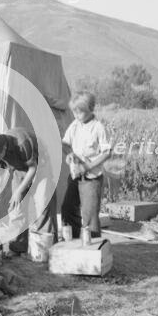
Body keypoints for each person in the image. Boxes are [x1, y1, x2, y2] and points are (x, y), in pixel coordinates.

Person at [0, 128, 57, 256]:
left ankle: (45, 250)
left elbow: (33, 168)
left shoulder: (22, 142)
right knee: (16, 209)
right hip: (19, 170)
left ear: (4, 148)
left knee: (43, 205)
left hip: (41, 168)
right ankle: (17, 247)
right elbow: (0, 177)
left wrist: (19, 191)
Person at [61, 91, 112, 238]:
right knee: (68, 209)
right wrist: (70, 154)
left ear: (90, 109)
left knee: (89, 215)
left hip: (91, 178)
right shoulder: (75, 125)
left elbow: (107, 152)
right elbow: (65, 143)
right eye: (74, 112)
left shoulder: (98, 128)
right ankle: (76, 240)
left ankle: (93, 248)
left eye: (80, 112)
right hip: (75, 175)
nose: (76, 115)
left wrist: (86, 167)